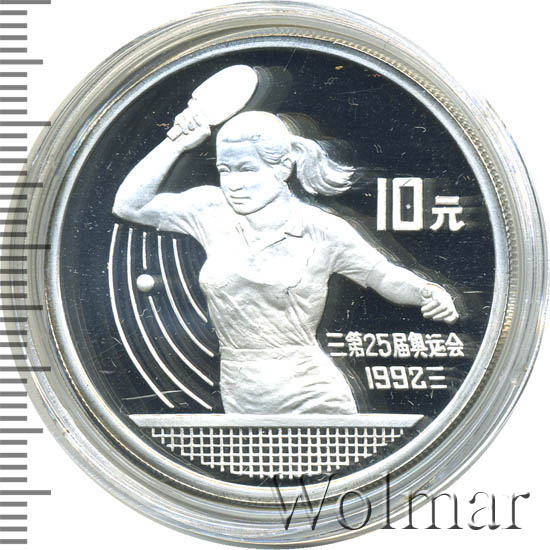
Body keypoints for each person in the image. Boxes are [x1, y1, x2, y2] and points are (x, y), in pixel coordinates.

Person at [113, 108, 458, 415]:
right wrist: (176, 143)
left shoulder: (323, 230)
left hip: (311, 393)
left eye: (248, 169)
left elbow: (383, 276)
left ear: (283, 168)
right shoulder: (209, 211)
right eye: (225, 170)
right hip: (239, 391)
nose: (234, 184)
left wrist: (427, 292)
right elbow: (129, 206)